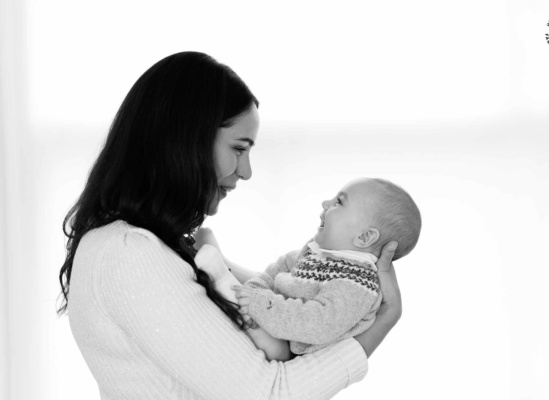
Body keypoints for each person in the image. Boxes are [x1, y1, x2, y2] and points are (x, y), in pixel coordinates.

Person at [58, 51, 403, 400]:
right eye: (239, 148)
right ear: (186, 140)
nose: (246, 170)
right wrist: (384, 320)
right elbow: (268, 393)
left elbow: (269, 302)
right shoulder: (128, 252)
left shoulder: (140, 246)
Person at [230, 178, 421, 357]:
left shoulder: (357, 285)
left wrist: (264, 304)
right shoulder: (318, 254)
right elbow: (277, 271)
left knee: (239, 310)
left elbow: (316, 324)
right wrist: (256, 289)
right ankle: (221, 270)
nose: (325, 203)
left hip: (292, 353)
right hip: (276, 325)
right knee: (239, 296)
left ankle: (220, 275)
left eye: (339, 202)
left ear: (364, 237)